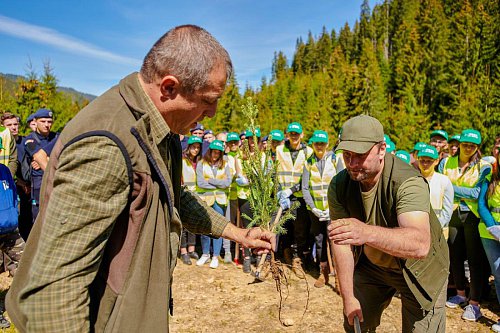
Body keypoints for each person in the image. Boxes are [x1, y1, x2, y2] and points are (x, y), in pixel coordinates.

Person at [6, 25, 275, 333]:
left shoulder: (161, 128)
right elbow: (54, 293)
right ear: (170, 88)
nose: (213, 113)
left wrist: (236, 233)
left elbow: (173, 197)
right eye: (208, 100)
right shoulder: (107, 144)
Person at [328, 114, 449, 333]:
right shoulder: (340, 185)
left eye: (361, 155)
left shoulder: (408, 182)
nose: (352, 164)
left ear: (382, 149)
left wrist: (365, 233)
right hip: (372, 267)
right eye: (347, 155)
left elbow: (419, 244)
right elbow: (341, 242)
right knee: (356, 324)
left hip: (420, 270)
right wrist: (348, 297)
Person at [439, 129, 492, 321]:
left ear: (477, 147)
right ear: (459, 144)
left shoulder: (484, 166)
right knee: (455, 254)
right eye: (465, 144)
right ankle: (460, 293)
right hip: (452, 213)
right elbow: (439, 184)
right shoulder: (446, 162)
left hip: (473, 215)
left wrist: (451, 188)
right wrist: (462, 191)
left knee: (475, 259)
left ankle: (474, 304)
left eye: (472, 145)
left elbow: (477, 193)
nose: (468, 148)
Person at [276, 122, 313, 273]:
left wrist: (290, 190)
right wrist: (279, 191)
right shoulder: (280, 149)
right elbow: (276, 173)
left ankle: (298, 260)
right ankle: (286, 255)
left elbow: (307, 177)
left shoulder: (308, 152)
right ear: (287, 135)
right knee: (284, 228)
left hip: (299, 197)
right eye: (291, 133)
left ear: (302, 135)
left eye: (296, 134)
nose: (294, 136)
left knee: (300, 230)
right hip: (282, 197)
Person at [301, 130, 336, 288]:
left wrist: (332, 208)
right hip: (315, 211)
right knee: (320, 241)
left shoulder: (335, 159)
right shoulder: (308, 162)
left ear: (327, 144)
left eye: (322, 143)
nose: (319, 146)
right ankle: (324, 273)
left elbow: (341, 185)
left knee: (335, 242)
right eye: (316, 143)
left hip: (333, 211)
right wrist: (314, 208)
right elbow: (305, 188)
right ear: (313, 145)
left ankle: (340, 277)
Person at [195, 140, 232, 269]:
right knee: (205, 227)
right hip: (206, 199)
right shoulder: (201, 164)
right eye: (214, 152)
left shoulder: (225, 164)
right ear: (209, 151)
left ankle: (215, 255)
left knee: (218, 228)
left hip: (220, 201)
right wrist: (218, 184)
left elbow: (227, 183)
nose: (215, 155)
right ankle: (205, 254)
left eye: (218, 153)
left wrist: (210, 180)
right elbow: (200, 183)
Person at [0, 163, 26, 329]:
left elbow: (14, 193)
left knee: (26, 265)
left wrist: (14, 213)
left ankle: (25, 307)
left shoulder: (4, 170)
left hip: (10, 230)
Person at [477, 147, 500, 332]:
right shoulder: (489, 177)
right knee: (498, 274)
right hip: (489, 233)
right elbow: (482, 204)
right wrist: (493, 227)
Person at [23, 108, 59, 225]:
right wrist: (46, 158)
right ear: (35, 121)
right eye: (43, 121)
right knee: (39, 220)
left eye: (49, 122)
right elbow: (39, 157)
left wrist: (46, 159)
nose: (47, 125)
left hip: (55, 184)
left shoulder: (57, 137)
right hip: (39, 184)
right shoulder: (30, 140)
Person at [2, 113, 32, 241]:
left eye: (15, 124)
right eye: (9, 125)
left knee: (24, 222)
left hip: (26, 190)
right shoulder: (3, 141)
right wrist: (14, 180)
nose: (13, 127)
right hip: (7, 188)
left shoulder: (26, 142)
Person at [417, 145, 454, 239]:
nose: (425, 164)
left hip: (439, 233)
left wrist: (434, 228)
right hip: (417, 231)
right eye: (422, 160)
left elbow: (447, 211)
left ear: (436, 161)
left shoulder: (444, 181)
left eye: (429, 161)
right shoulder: (412, 179)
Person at [179, 136, 203, 265]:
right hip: (184, 193)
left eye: (198, 147)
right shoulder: (183, 160)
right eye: (194, 147)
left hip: (196, 195)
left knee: (193, 223)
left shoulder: (199, 161)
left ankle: (192, 249)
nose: (196, 149)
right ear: (189, 147)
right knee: (183, 225)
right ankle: (183, 252)